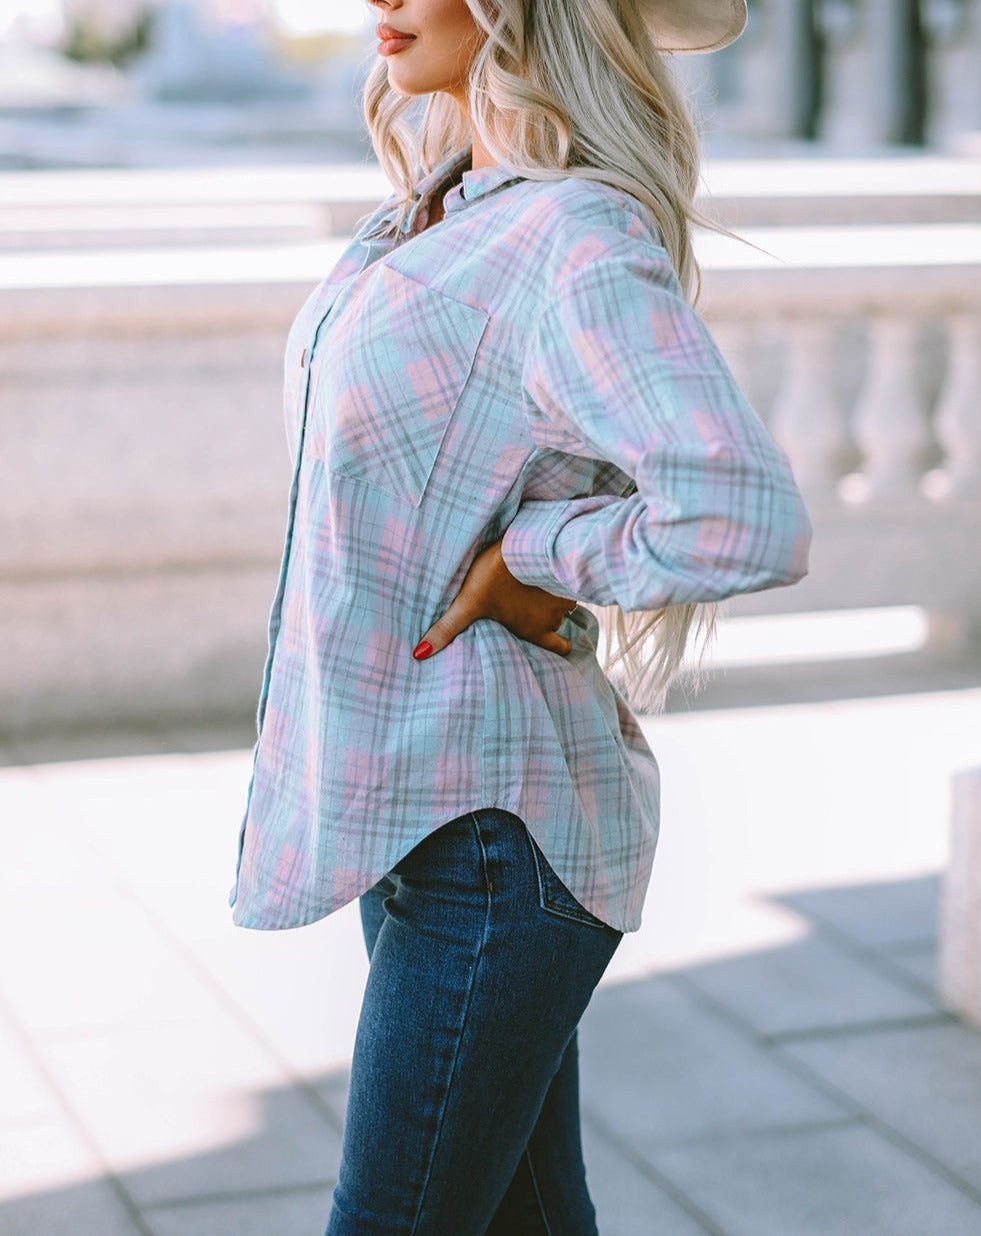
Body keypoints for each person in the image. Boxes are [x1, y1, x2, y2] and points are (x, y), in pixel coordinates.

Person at [229, 0, 811, 1231]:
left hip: (493, 841)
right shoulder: (437, 208)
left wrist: (535, 555)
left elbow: (740, 516)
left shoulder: (571, 237)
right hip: (418, 814)